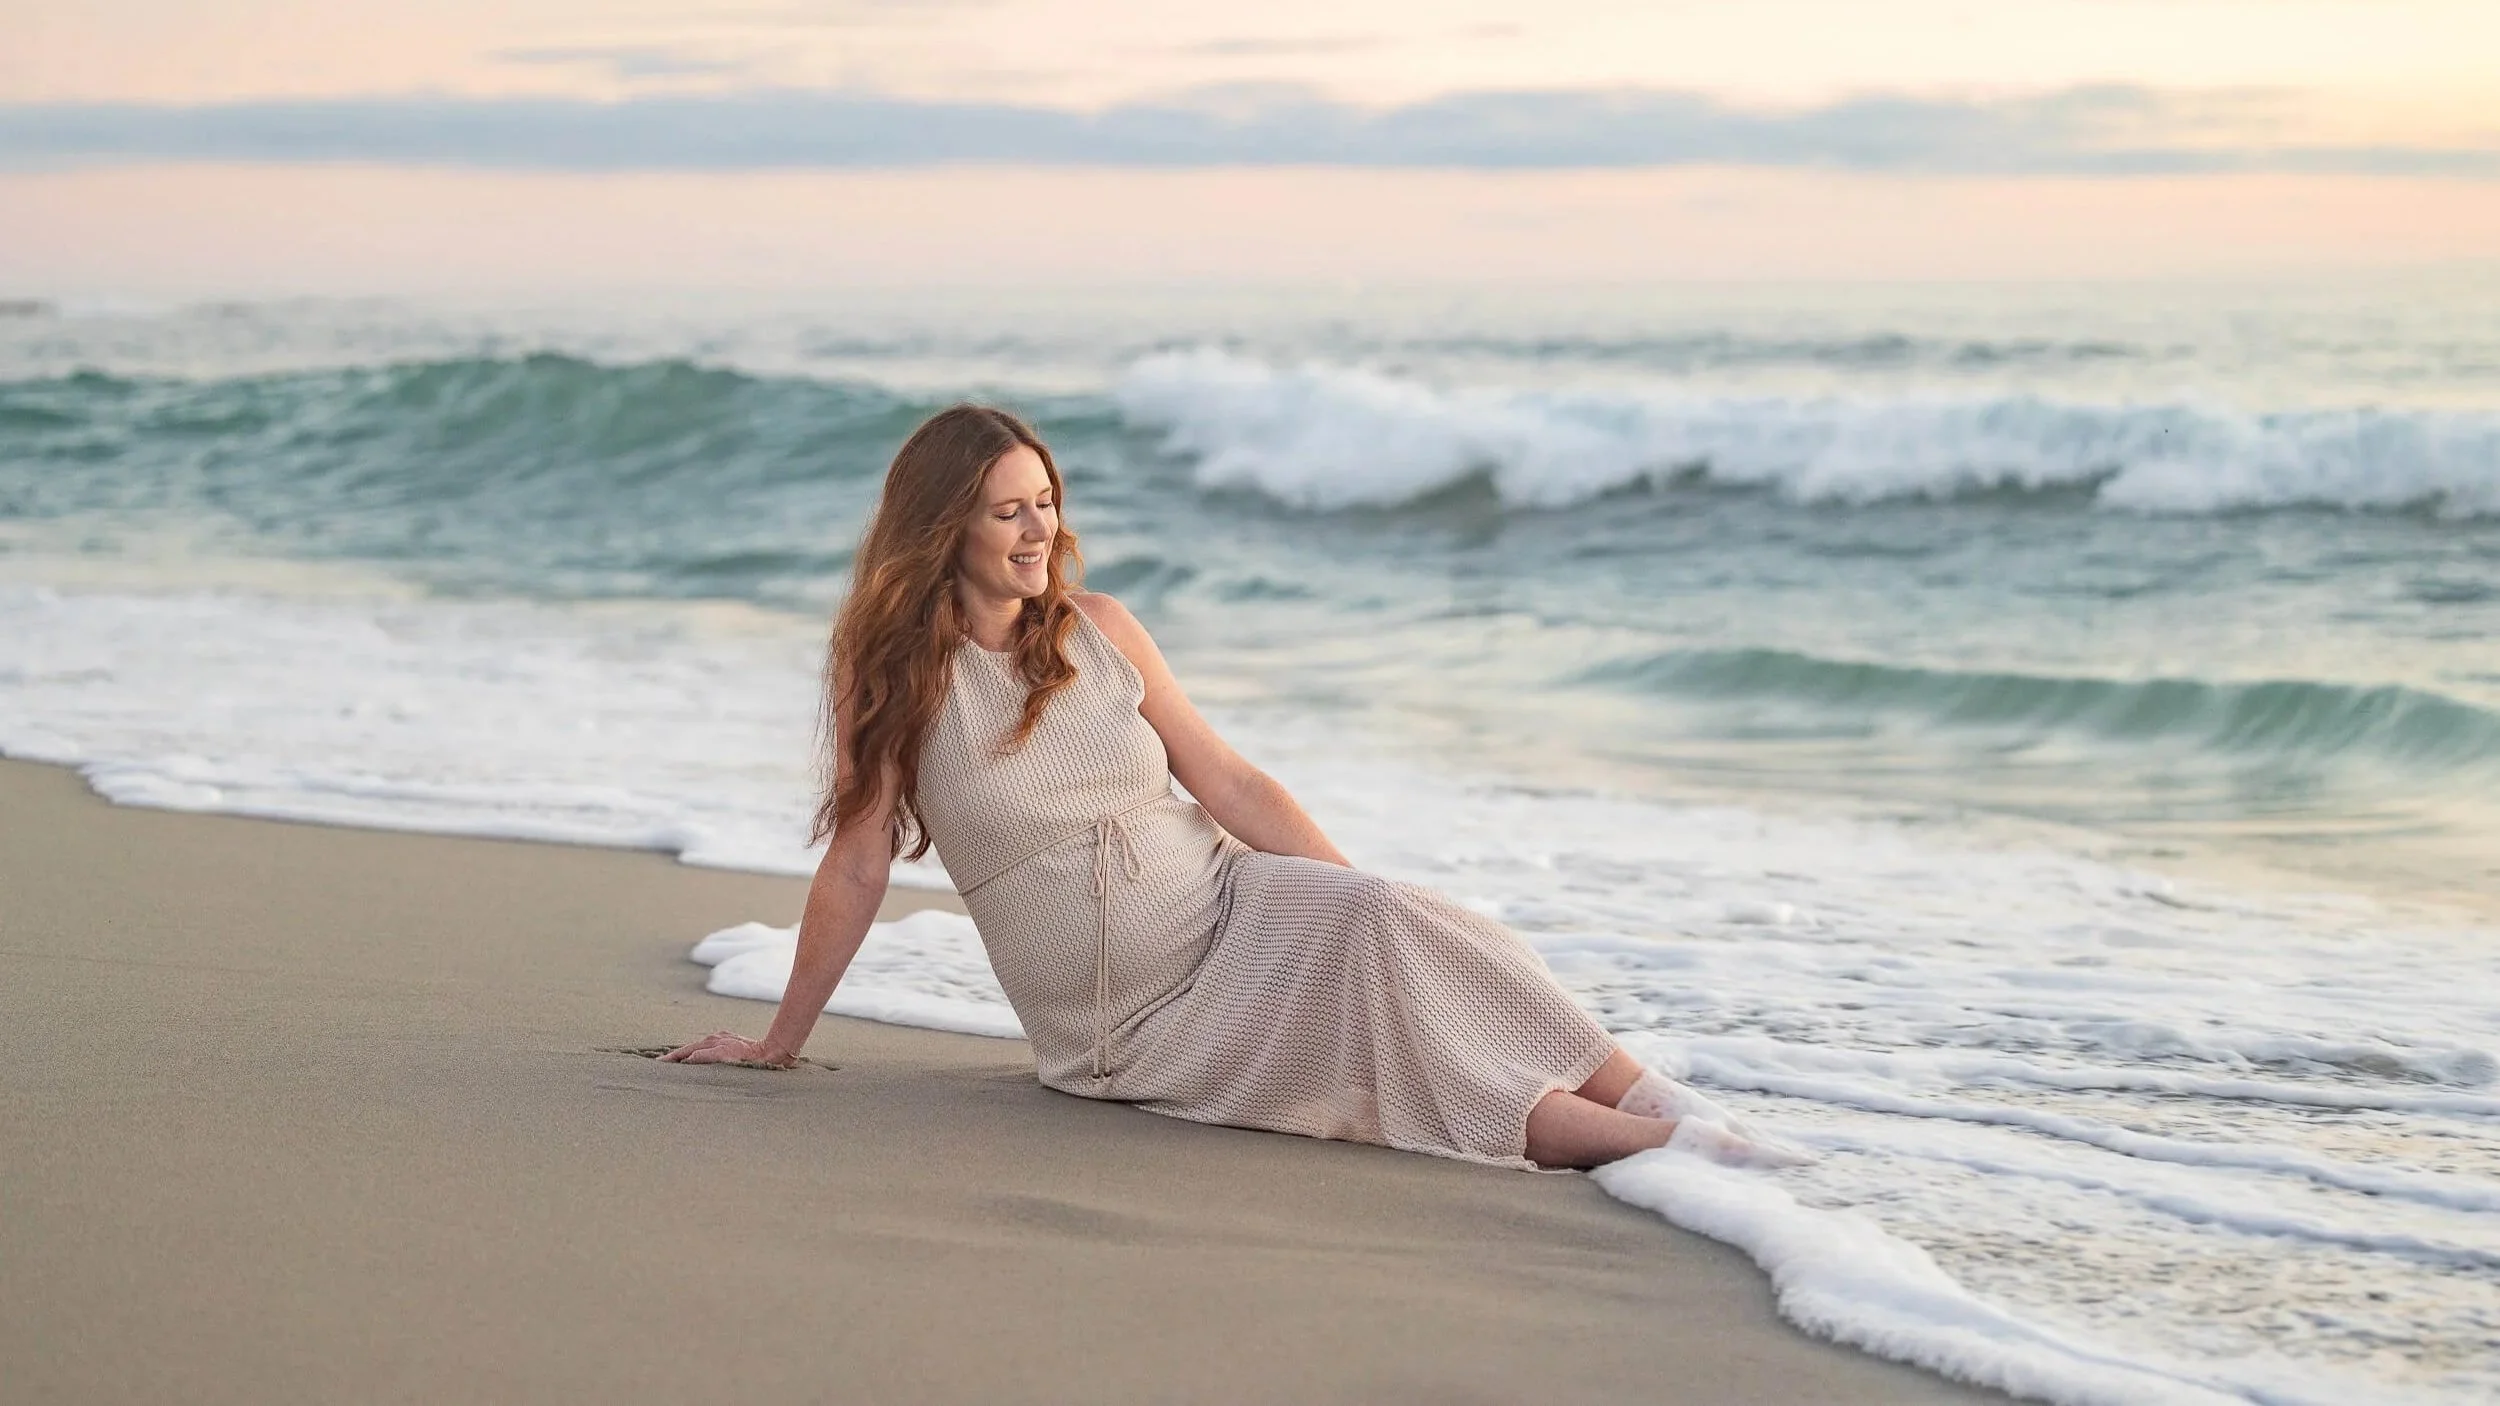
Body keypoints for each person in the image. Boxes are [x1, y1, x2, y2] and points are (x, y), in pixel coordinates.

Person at [664, 405, 1799, 1171]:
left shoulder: (1100, 632)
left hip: (1228, 909)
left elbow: (1230, 781)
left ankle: (1657, 1108)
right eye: (1007, 507)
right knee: (1402, 1063)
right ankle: (1658, 1153)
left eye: (1045, 501)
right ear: (942, 523)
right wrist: (779, 1039)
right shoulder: (900, 672)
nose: (1037, 526)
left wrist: (1354, 910)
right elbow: (860, 858)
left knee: (1394, 922)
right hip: (1128, 1020)